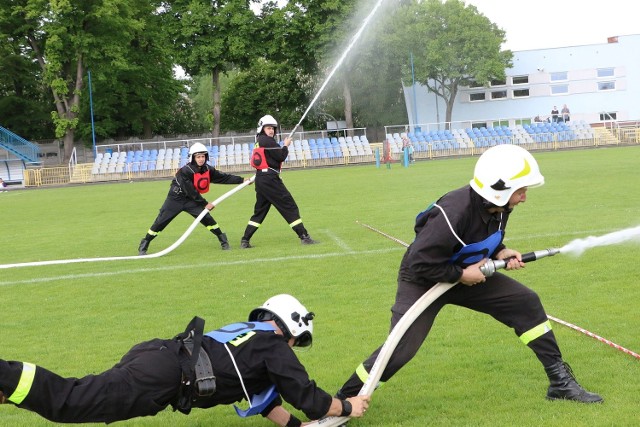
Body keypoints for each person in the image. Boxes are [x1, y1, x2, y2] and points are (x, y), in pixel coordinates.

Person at [336, 144, 603, 406]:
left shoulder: (499, 207)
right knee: (400, 348)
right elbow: (419, 261)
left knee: (525, 302)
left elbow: (483, 236)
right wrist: (461, 274)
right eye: (520, 190)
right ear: (499, 190)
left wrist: (500, 251)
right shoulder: (453, 212)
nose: (524, 197)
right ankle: (343, 401)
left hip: (467, 273)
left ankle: (560, 383)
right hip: (424, 280)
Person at [0, 294, 371, 425]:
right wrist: (346, 406)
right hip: (165, 376)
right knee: (72, 401)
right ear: (289, 328)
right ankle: (4, 376)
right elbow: (306, 396)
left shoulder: (248, 337)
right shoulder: (274, 346)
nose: (293, 348)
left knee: (82, 394)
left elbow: (265, 399)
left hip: (159, 356)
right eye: (296, 341)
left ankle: (6, 388)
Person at [138, 142, 250, 255]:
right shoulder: (185, 171)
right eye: (198, 156)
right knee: (161, 222)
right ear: (192, 157)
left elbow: (223, 178)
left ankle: (223, 241)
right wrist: (205, 203)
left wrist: (241, 180)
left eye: (203, 156)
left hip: (191, 201)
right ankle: (145, 243)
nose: (201, 159)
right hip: (175, 199)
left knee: (207, 219)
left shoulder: (207, 169)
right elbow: (190, 190)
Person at [240, 115, 317, 248]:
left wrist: (281, 147)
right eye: (268, 128)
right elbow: (281, 156)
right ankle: (304, 236)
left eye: (273, 129)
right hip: (270, 180)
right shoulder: (268, 141)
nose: (271, 131)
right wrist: (286, 146)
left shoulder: (260, 141)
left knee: (260, 212)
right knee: (289, 206)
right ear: (262, 129)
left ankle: (245, 240)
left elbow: (273, 157)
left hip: (262, 179)